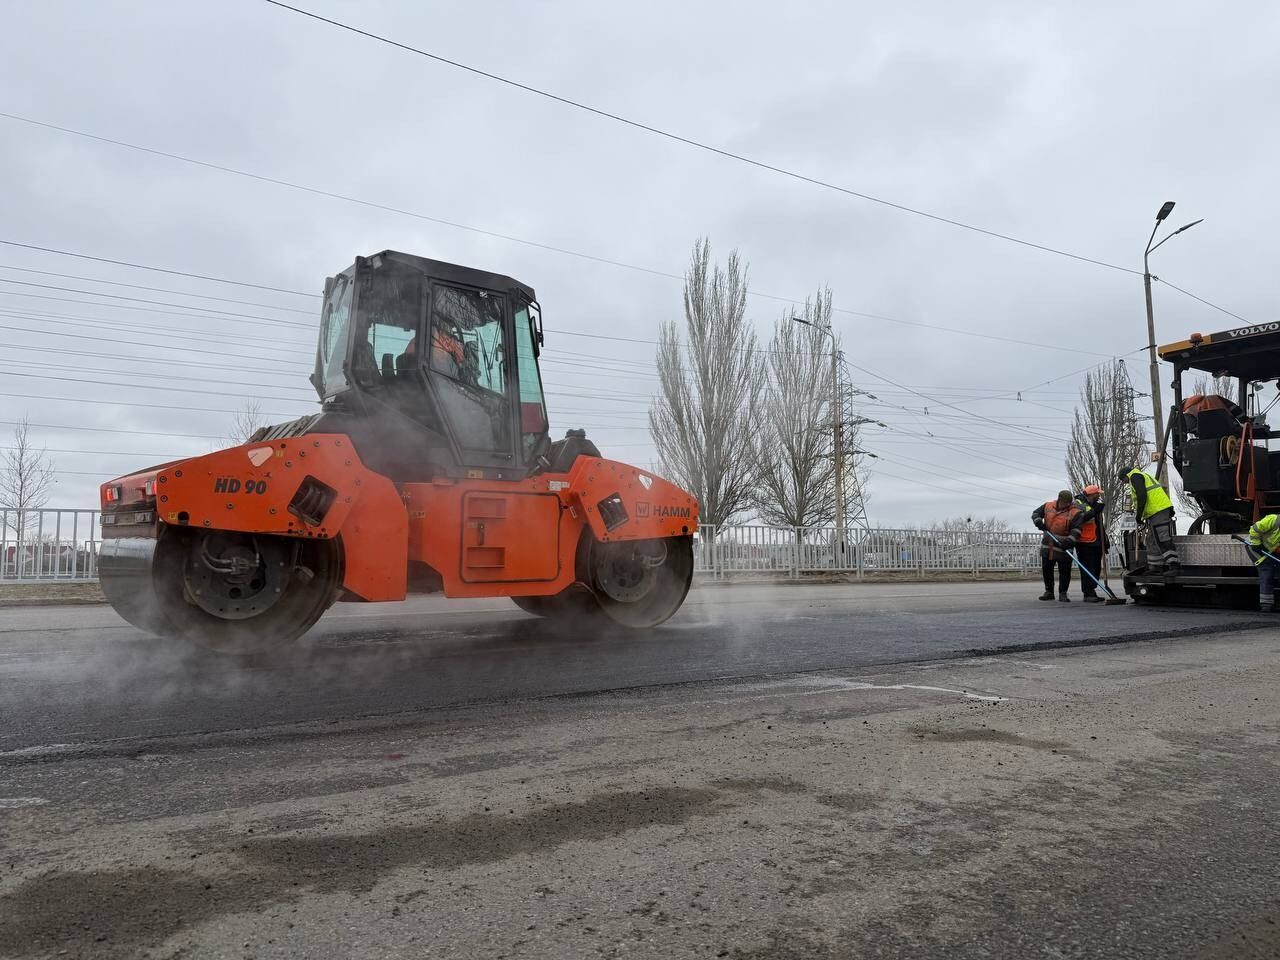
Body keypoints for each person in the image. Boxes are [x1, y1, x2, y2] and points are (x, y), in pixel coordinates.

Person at [1122, 466, 1180, 573]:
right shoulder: (1142, 476)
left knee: (1162, 538)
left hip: (1158, 511)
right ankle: (1155, 566)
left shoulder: (1135, 476)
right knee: (1151, 540)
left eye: (1123, 480)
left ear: (1125, 475)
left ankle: (1174, 565)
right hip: (1156, 512)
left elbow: (1142, 496)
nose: (1124, 482)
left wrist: (1139, 515)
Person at [1032, 490, 1084, 602]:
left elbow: (1077, 530)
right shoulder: (1048, 506)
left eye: (1068, 503)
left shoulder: (1075, 512)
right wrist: (1038, 522)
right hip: (1048, 545)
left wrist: (1069, 541)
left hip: (1064, 546)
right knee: (1047, 570)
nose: (1066, 505)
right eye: (1064, 502)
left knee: (1065, 572)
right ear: (1059, 500)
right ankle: (1049, 592)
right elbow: (1035, 513)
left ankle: (1063, 593)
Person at [1073, 485, 1107, 602]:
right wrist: (1095, 511)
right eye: (1098, 494)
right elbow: (1079, 519)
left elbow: (1099, 525)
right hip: (1084, 542)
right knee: (1087, 568)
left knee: (1096, 568)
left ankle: (1092, 590)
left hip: (1096, 541)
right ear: (1092, 494)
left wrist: (1105, 541)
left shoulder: (1095, 505)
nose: (1099, 496)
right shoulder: (1078, 504)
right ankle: (1088, 593)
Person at [1246, 513, 1280, 612]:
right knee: (1267, 571)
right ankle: (1266, 605)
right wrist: (1256, 544)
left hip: (1270, 550)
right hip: (1255, 548)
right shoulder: (1274, 520)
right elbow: (1255, 529)